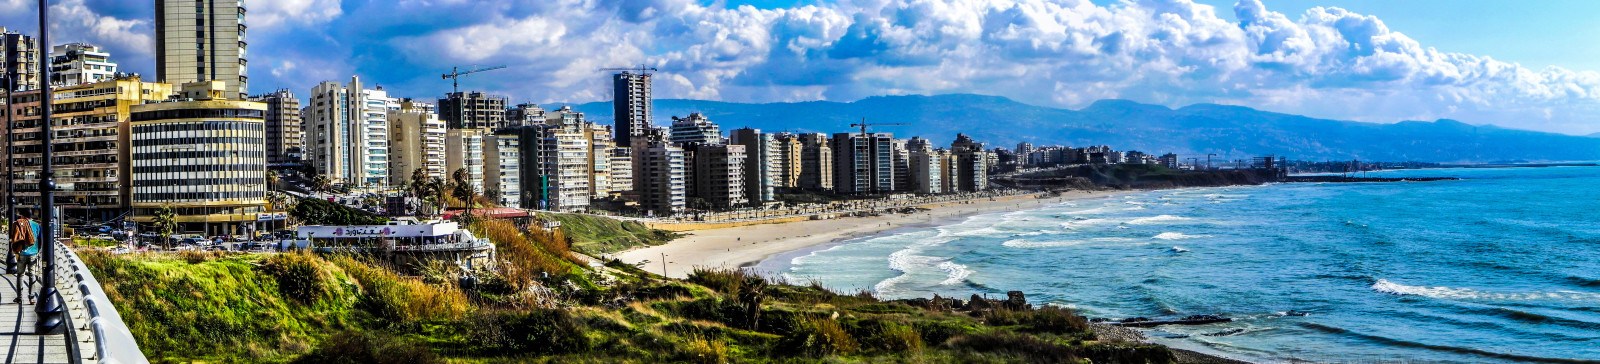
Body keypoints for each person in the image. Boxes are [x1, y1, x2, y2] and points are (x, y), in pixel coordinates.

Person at [9, 210, 38, 305]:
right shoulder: (36, 225)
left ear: (23, 216)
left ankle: (19, 297)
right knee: (32, 275)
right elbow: (40, 239)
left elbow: (14, 237)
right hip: (33, 253)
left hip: (21, 253)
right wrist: (37, 250)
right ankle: (32, 298)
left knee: (20, 275)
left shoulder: (19, 224)